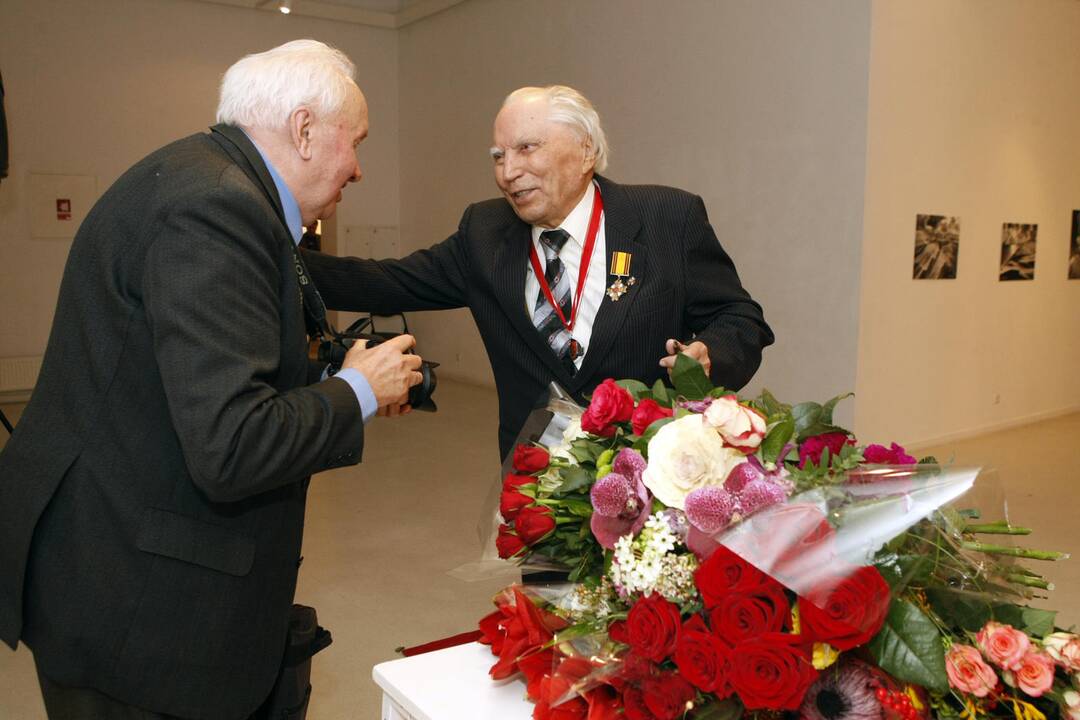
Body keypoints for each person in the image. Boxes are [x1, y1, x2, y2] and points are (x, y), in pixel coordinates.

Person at [0, 40, 422, 720]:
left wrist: (329, 379)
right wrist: (357, 390)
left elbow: (200, 372)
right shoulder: (218, 209)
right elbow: (230, 445)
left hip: (112, 563)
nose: (358, 168)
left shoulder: (198, 176)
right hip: (135, 611)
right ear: (305, 129)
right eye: (357, 142)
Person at [303, 85, 774, 460]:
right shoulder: (485, 233)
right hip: (538, 483)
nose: (509, 172)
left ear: (586, 152)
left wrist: (711, 352)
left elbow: (740, 319)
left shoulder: (668, 218)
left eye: (527, 148)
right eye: (498, 156)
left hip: (654, 470)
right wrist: (270, 253)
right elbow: (385, 282)